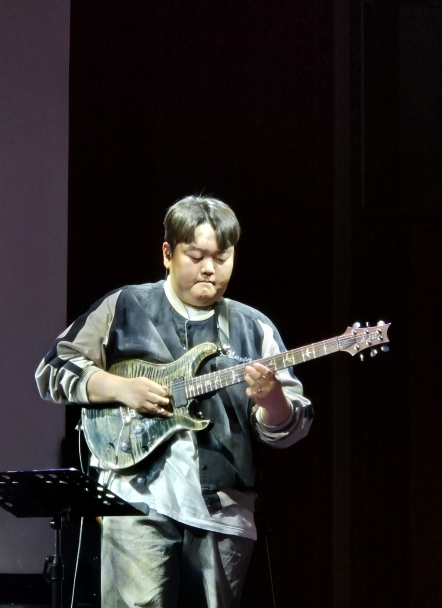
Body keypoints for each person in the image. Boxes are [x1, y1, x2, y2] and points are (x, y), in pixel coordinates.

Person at [36, 195, 313, 608]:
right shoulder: (125, 306)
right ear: (167, 253)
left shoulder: (254, 328)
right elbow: (54, 367)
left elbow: (290, 424)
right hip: (134, 503)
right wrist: (119, 387)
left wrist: (273, 402)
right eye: (196, 256)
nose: (209, 269)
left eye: (222, 257)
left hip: (222, 512)